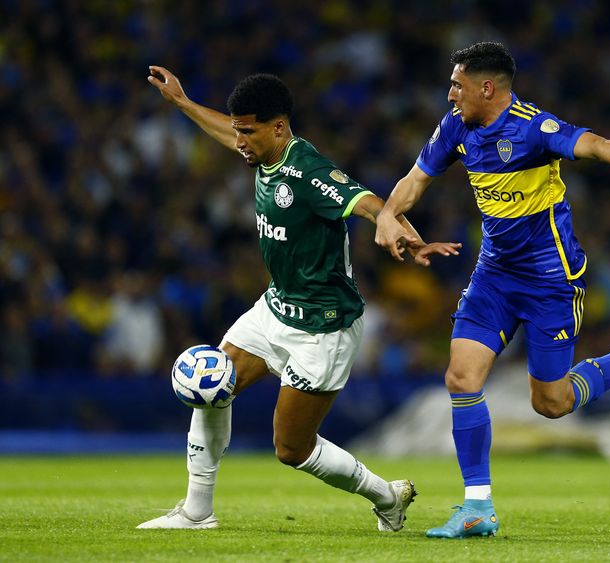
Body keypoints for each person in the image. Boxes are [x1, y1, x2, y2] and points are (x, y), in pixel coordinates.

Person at [375, 42, 610, 539]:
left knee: (552, 404)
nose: (450, 93)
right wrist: (388, 214)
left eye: (458, 85)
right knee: (461, 377)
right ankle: (478, 507)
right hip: (494, 276)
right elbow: (415, 179)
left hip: (550, 282)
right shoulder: (456, 126)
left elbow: (596, 144)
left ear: (486, 87)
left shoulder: (533, 127)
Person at [138, 67, 461, 531]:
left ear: (279, 127)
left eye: (248, 131)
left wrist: (393, 223)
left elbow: (363, 201)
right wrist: (183, 102)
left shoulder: (306, 171)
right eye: (237, 130)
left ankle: (386, 496)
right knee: (212, 386)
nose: (239, 140)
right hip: (275, 306)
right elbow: (230, 136)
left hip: (323, 326)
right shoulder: (260, 151)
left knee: (292, 448)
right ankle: (196, 511)